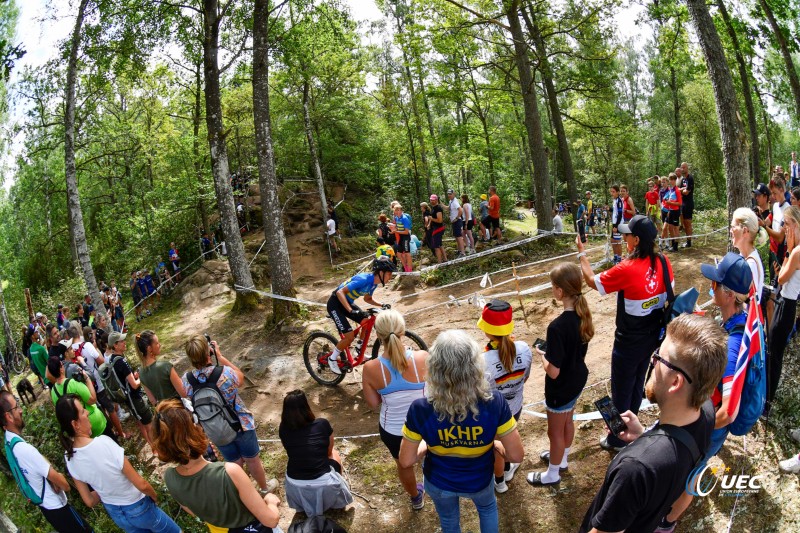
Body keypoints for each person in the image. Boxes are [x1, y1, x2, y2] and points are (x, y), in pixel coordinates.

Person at [579, 314, 725, 533]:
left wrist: (645, 449)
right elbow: (685, 473)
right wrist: (645, 438)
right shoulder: (706, 412)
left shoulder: (636, 469)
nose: (652, 361)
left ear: (676, 381)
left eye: (659, 358)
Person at [657, 254, 752, 532]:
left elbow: (728, 410)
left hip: (709, 426)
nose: (710, 285)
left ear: (727, 293)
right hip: (706, 416)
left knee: (690, 474)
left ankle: (667, 522)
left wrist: (699, 428)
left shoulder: (733, 347)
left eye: (715, 283)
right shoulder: (735, 321)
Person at [399, 330, 524, 533]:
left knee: (449, 521)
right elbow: (516, 454)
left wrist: (428, 446)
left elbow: (405, 461)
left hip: (439, 481)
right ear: (475, 365)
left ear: (434, 368)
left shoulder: (420, 408)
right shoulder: (494, 402)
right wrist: (495, 445)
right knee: (487, 508)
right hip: (480, 479)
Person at [577, 214, 674, 450]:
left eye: (627, 234)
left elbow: (591, 281)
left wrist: (582, 253)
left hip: (627, 342)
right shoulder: (663, 262)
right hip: (652, 337)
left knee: (620, 390)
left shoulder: (627, 268)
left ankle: (616, 439)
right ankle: (631, 428)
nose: (623, 236)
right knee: (637, 382)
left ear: (637, 240)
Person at [56, 394, 180, 533]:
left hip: (117, 514)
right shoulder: (104, 443)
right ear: (75, 424)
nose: (87, 413)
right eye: (83, 411)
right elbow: (141, 483)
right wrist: (155, 496)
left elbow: (89, 501)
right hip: (139, 507)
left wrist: (105, 488)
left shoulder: (69, 458)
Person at [152, 400, 282, 532]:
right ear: (194, 429)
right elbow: (270, 520)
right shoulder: (230, 472)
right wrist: (271, 501)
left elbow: (194, 511)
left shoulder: (169, 477)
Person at [182, 334, 275, 493]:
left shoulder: (186, 380)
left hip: (216, 429)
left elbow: (186, 398)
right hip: (240, 424)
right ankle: (265, 489)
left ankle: (245, 494)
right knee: (252, 461)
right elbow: (240, 378)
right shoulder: (224, 372)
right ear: (208, 352)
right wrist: (220, 357)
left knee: (234, 465)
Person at [528, 263, 593, 487]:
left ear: (560, 291)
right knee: (568, 422)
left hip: (561, 387)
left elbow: (553, 371)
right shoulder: (583, 315)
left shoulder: (557, 327)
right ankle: (562, 459)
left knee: (554, 431)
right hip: (577, 380)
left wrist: (542, 355)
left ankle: (553, 473)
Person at [361, 310, 427, 509]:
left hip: (394, 430)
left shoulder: (370, 368)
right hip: (425, 424)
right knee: (434, 454)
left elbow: (373, 403)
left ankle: (416, 498)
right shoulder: (422, 357)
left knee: (403, 464)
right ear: (403, 331)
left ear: (378, 335)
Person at [1, 391, 93, 533]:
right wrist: (57, 477)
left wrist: (48, 476)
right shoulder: (25, 450)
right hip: (59, 508)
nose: (20, 410)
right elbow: (65, 485)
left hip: (47, 509)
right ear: (8, 416)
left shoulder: (8, 443)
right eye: (16, 406)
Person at [475, 300, 531, 492]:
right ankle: (507, 469)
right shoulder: (523, 348)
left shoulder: (482, 360)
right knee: (508, 438)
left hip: (493, 413)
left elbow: (480, 392)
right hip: (515, 407)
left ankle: (499, 482)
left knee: (496, 447)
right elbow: (525, 378)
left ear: (486, 330)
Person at [279, 390, 353, 516]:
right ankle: (336, 495)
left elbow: (289, 450)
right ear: (306, 406)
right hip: (323, 482)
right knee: (334, 453)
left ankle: (305, 504)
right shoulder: (322, 424)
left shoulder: (283, 428)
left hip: (294, 482)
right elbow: (328, 451)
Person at [326, 259, 396, 375]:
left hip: (346, 302)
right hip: (335, 303)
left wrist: (382, 304)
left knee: (366, 321)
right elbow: (340, 293)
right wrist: (350, 310)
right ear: (381, 272)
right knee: (349, 337)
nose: (391, 276)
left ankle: (358, 350)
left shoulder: (374, 283)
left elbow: (367, 299)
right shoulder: (364, 279)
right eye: (389, 273)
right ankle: (332, 359)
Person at [766, 205, 800, 414]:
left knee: (774, 353)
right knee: (773, 351)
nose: (784, 228)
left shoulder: (796, 251)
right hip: (785, 302)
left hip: (786, 305)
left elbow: (781, 278)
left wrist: (788, 247)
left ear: (795, 225)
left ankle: (767, 402)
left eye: (786, 224)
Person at [46, 354, 115, 441]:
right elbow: (92, 399)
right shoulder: (73, 383)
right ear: (61, 369)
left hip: (79, 431)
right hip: (94, 423)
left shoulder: (53, 391)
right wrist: (87, 379)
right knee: (111, 444)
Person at [108, 332, 154, 447]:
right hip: (135, 398)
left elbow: (124, 379)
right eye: (121, 341)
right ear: (115, 345)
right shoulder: (121, 362)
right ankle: (159, 450)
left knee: (141, 423)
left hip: (128, 398)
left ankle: (153, 448)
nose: (125, 342)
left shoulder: (112, 359)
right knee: (149, 424)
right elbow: (134, 385)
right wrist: (141, 377)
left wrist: (133, 376)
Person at [80, 326, 126, 439]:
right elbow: (101, 362)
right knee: (110, 407)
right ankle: (121, 433)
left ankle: (111, 430)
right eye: (92, 333)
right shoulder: (88, 346)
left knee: (102, 408)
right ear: (90, 335)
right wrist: (95, 348)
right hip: (98, 383)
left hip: (89, 385)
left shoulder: (76, 348)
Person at [135, 330, 185, 404]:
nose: (160, 345)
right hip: (178, 408)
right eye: (157, 343)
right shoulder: (166, 366)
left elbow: (153, 401)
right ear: (149, 348)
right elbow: (183, 393)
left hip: (164, 412)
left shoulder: (141, 372)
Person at [730, 208, 764, 305]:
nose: (730, 231)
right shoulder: (746, 257)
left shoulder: (750, 264)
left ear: (744, 231)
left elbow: (745, 303)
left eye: (733, 227)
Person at [662, 173, 682, 252]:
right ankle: (673, 244)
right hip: (670, 211)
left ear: (675, 180)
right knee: (670, 228)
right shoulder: (671, 190)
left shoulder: (677, 190)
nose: (672, 181)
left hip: (676, 211)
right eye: (670, 179)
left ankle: (676, 246)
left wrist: (670, 203)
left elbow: (680, 203)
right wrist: (667, 202)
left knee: (676, 228)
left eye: (673, 179)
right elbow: (668, 200)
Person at [391, 203, 413, 272]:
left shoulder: (404, 218)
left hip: (405, 236)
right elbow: (397, 227)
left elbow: (406, 232)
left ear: (401, 211)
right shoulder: (396, 217)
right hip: (400, 237)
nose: (398, 212)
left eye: (399, 210)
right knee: (399, 253)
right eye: (396, 210)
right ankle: (405, 267)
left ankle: (409, 269)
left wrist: (396, 231)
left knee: (407, 253)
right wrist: (393, 229)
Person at [446, 189, 466, 258]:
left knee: (459, 237)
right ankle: (460, 250)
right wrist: (441, 203)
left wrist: (456, 218)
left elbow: (461, 210)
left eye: (450, 194)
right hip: (454, 222)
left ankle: (463, 252)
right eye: (448, 194)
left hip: (457, 221)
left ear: (453, 194)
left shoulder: (454, 201)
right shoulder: (451, 201)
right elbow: (448, 208)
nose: (449, 195)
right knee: (457, 237)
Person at [680, 162, 695, 247]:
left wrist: (682, 190)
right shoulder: (683, 179)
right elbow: (680, 190)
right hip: (683, 203)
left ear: (687, 168)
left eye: (684, 167)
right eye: (681, 167)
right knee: (684, 223)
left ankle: (689, 242)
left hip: (689, 203)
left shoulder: (690, 178)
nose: (682, 169)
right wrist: (682, 189)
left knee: (688, 223)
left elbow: (686, 192)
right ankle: (687, 240)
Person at [429, 194, 447, 263]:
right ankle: (445, 259)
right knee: (440, 244)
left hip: (438, 228)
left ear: (436, 200)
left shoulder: (438, 208)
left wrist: (431, 219)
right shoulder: (433, 208)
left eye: (433, 200)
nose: (432, 201)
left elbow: (440, 220)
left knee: (436, 246)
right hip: (435, 228)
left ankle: (439, 262)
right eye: (431, 200)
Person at [609, 185, 624, 263]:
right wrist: (609, 209)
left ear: (618, 192)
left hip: (618, 223)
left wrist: (617, 226)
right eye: (611, 192)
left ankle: (619, 258)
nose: (612, 193)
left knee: (618, 242)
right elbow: (615, 211)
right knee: (613, 240)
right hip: (614, 222)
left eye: (613, 192)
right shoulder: (614, 200)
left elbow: (620, 214)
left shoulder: (619, 201)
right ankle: (615, 256)